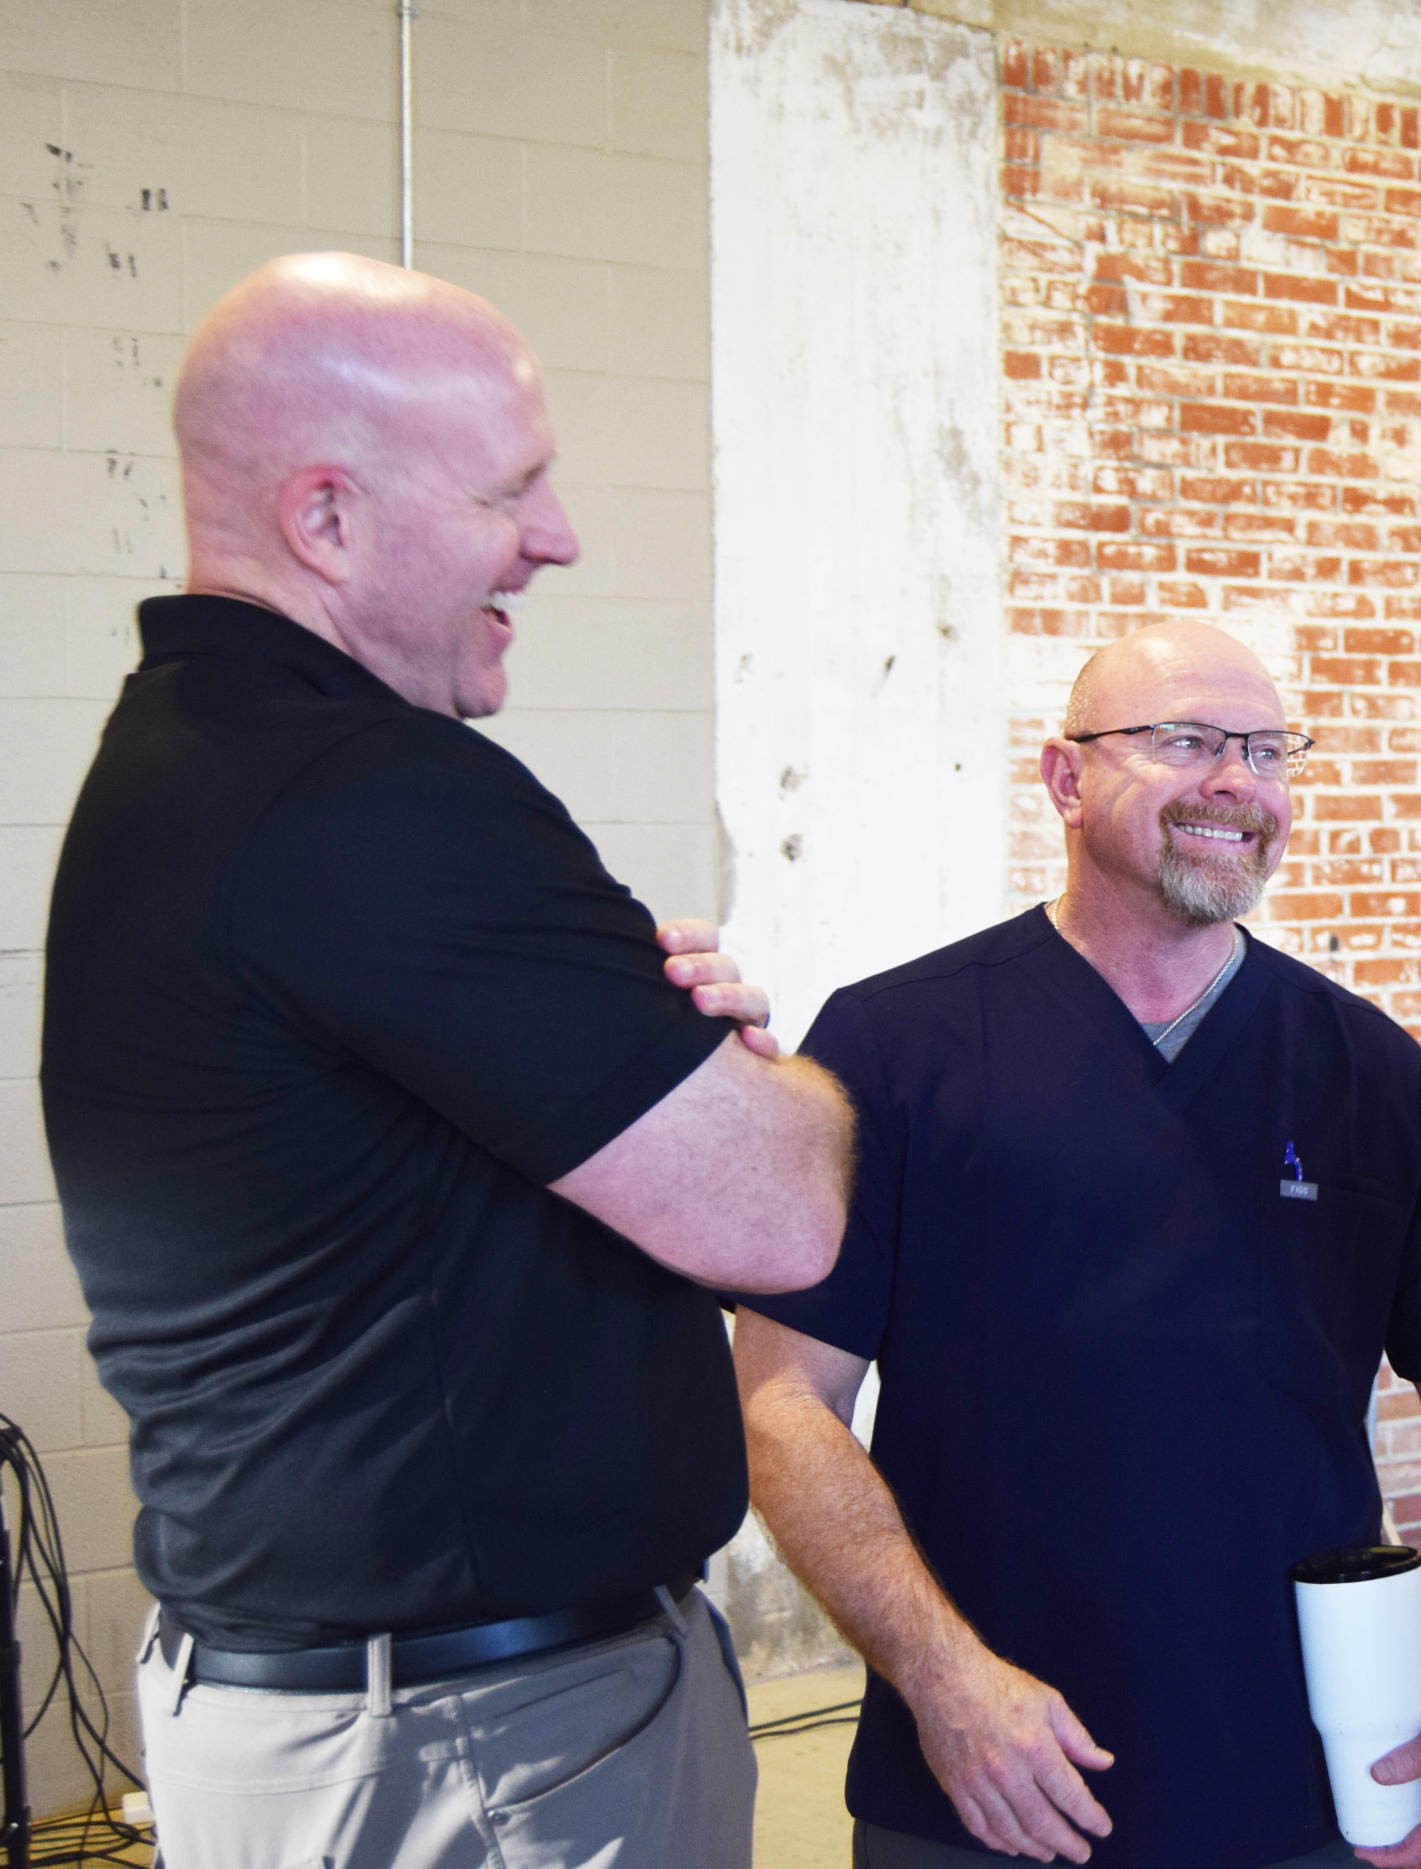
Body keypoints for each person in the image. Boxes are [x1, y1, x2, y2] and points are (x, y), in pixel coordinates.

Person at [40, 253, 855, 1869]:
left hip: (353, 1719)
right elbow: (778, 1216)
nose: (557, 537)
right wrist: (777, 1080)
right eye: (510, 490)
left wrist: (680, 1077)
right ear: (326, 518)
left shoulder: (184, 767)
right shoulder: (369, 796)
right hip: (484, 1748)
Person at [706, 621, 1421, 1869]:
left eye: (1265, 751)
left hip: (1302, 1782)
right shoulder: (896, 1047)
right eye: (1184, 741)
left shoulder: (1363, 1071)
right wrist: (944, 1682)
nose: (1235, 781)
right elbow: (783, 1403)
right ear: (1066, 779)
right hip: (984, 1787)